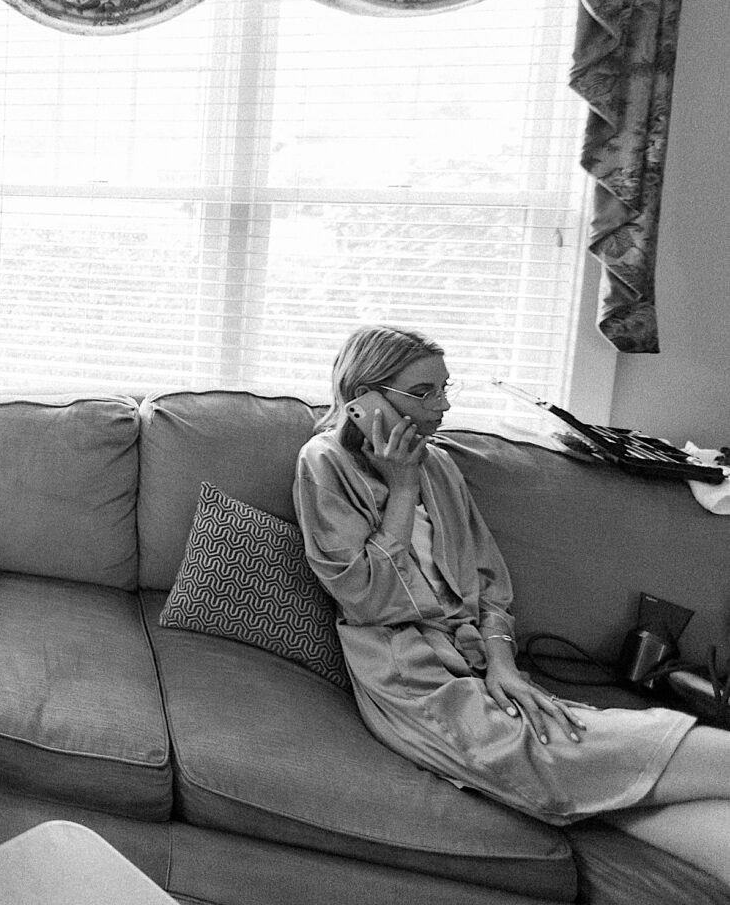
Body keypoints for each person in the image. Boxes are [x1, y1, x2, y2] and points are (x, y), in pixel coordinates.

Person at [293, 324, 730, 885]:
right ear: (365, 399)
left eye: (446, 389)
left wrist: (504, 665)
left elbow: (490, 587)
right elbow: (366, 598)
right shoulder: (323, 464)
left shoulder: (441, 468)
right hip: (416, 681)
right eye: (424, 392)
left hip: (482, 668)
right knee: (573, 748)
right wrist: (400, 490)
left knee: (674, 810)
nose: (443, 407)